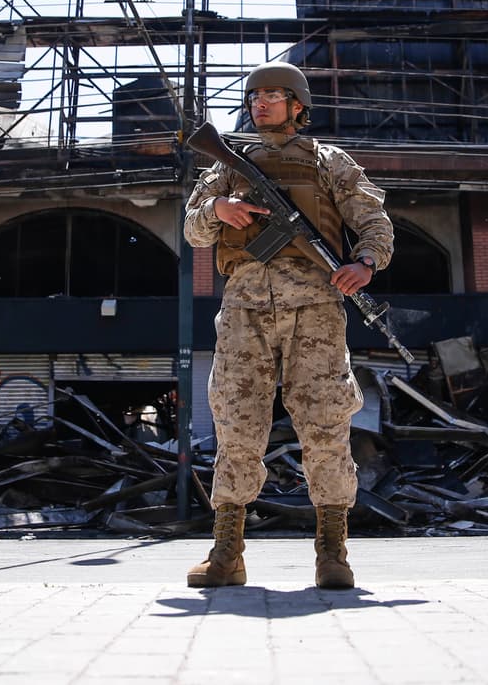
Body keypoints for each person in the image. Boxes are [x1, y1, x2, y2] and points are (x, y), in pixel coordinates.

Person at [183, 60, 394, 589]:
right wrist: (219, 208)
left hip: (316, 309)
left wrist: (363, 263)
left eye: (272, 95)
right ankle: (226, 552)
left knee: (325, 423)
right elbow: (192, 229)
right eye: (254, 96)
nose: (260, 103)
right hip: (244, 308)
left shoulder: (329, 162)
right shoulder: (229, 164)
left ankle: (332, 553)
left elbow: (374, 222)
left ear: (298, 105)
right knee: (235, 424)